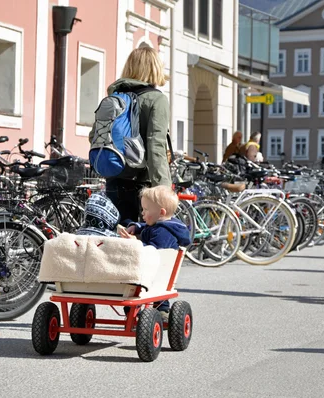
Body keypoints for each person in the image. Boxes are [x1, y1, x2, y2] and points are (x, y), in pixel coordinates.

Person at [90, 47, 171, 225]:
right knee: (144, 242)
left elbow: (93, 135)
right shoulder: (157, 99)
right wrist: (163, 188)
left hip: (115, 177)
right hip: (143, 183)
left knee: (119, 238)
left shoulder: (115, 97)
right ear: (155, 68)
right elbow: (155, 146)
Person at [119, 185, 191, 320]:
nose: (142, 213)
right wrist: (136, 226)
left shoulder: (163, 232)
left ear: (161, 213)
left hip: (158, 270)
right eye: (142, 209)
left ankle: (161, 310)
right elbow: (147, 226)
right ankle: (135, 311)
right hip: (151, 269)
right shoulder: (159, 224)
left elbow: (154, 252)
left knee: (155, 286)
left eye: (146, 210)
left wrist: (136, 243)